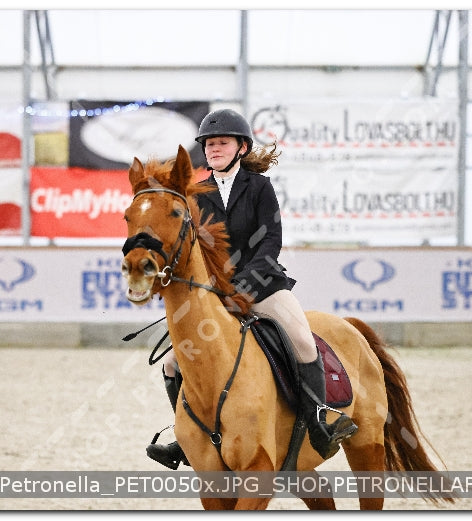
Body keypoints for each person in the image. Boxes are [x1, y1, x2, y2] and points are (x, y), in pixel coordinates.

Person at [146, 108, 357, 469]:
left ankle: (320, 418)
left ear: (241, 147)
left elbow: (270, 242)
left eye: (222, 143)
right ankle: (186, 438)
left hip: (264, 287)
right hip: (213, 294)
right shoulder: (196, 193)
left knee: (304, 342)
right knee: (170, 364)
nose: (214, 149)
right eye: (209, 144)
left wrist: (243, 284)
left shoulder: (259, 187)